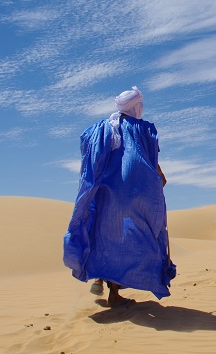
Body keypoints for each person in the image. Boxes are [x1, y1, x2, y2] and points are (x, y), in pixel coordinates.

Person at [63, 86, 176, 307]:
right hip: (132, 194)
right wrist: (159, 177)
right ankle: (114, 292)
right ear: (135, 107)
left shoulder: (100, 129)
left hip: (104, 192)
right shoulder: (143, 130)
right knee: (135, 236)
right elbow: (149, 158)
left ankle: (101, 280)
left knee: (102, 233)